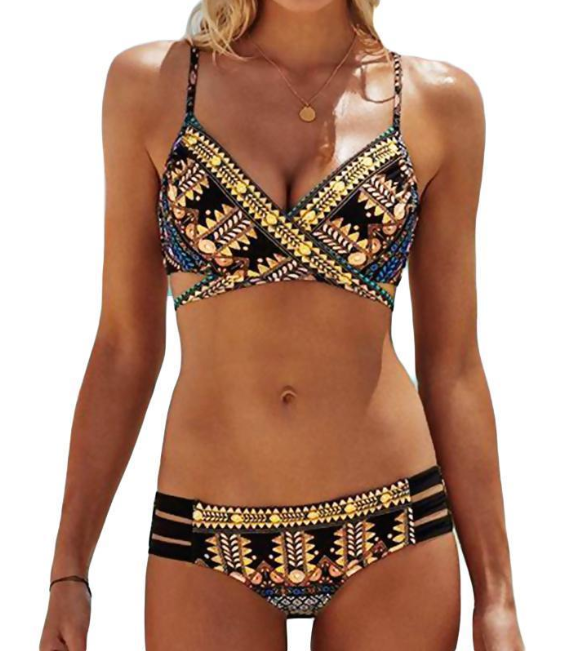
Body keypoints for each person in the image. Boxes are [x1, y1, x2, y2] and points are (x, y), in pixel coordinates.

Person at [40, 1, 525, 649]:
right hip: (205, 534)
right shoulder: (151, 85)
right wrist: (69, 570)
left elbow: (453, 366)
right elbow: (124, 348)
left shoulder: (438, 101)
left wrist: (497, 597)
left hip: (394, 527)